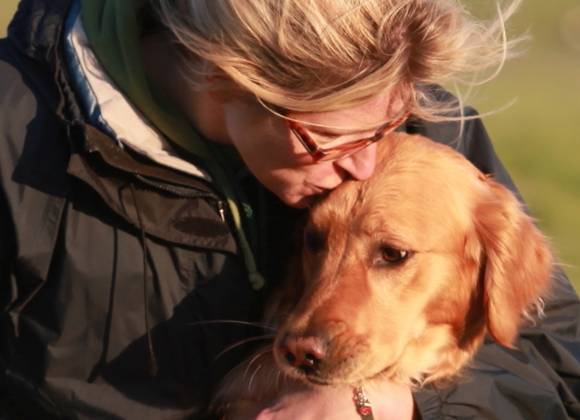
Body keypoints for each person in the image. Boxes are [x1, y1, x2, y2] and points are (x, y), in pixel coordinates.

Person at [0, 0, 578, 419]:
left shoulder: (415, 124)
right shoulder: (14, 138)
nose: (366, 164)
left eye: (386, 125)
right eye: (331, 141)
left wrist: (395, 404)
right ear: (227, 79)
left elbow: (555, 359)